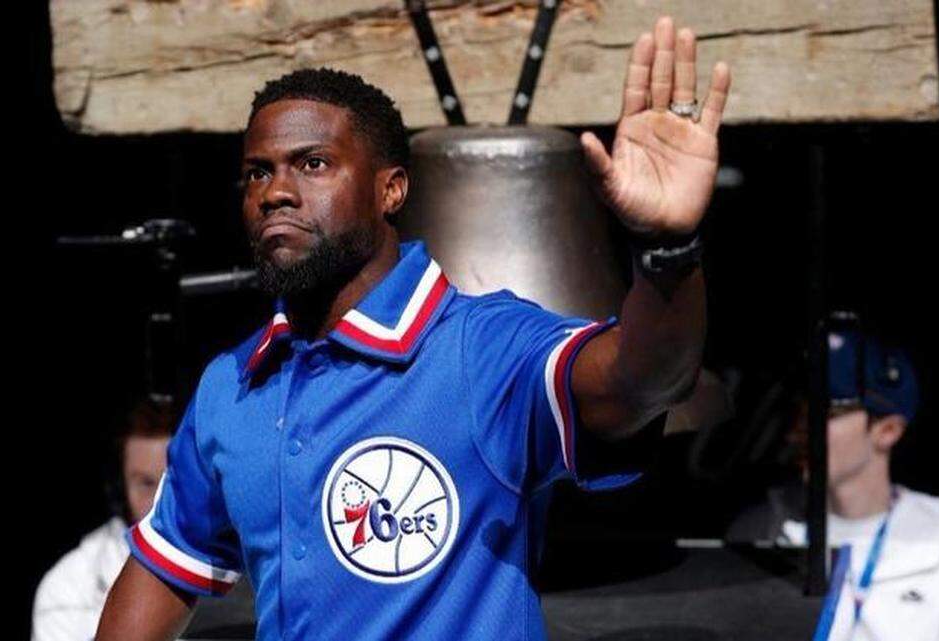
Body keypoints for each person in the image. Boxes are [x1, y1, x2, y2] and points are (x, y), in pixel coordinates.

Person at [97, 15, 732, 641]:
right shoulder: (231, 387)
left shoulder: (483, 351)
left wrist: (668, 246)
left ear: (391, 190)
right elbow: (165, 568)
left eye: (312, 164)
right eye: (258, 173)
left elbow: (644, 379)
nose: (275, 192)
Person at [728, 329, 939, 641]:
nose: (801, 429)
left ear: (887, 430)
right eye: (800, 408)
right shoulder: (759, 531)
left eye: (825, 412)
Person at [32, 399, 176, 641]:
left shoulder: (239, 566)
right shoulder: (69, 586)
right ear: (119, 489)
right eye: (146, 483)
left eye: (170, 481)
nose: (158, 502)